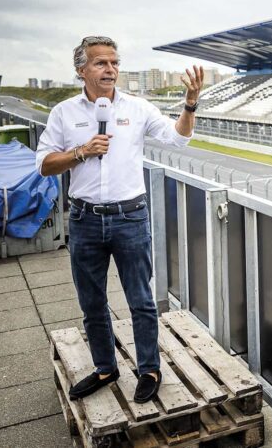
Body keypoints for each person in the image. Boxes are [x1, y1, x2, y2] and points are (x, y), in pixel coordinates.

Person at [36, 36, 203, 403]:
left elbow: (178, 141)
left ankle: (149, 369)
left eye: (114, 63)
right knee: (92, 302)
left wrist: (190, 104)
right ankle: (105, 368)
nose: (110, 69)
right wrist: (80, 151)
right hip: (84, 219)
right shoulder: (64, 113)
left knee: (141, 299)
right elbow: (44, 164)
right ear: (82, 70)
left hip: (130, 217)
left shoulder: (138, 108)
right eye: (100, 63)